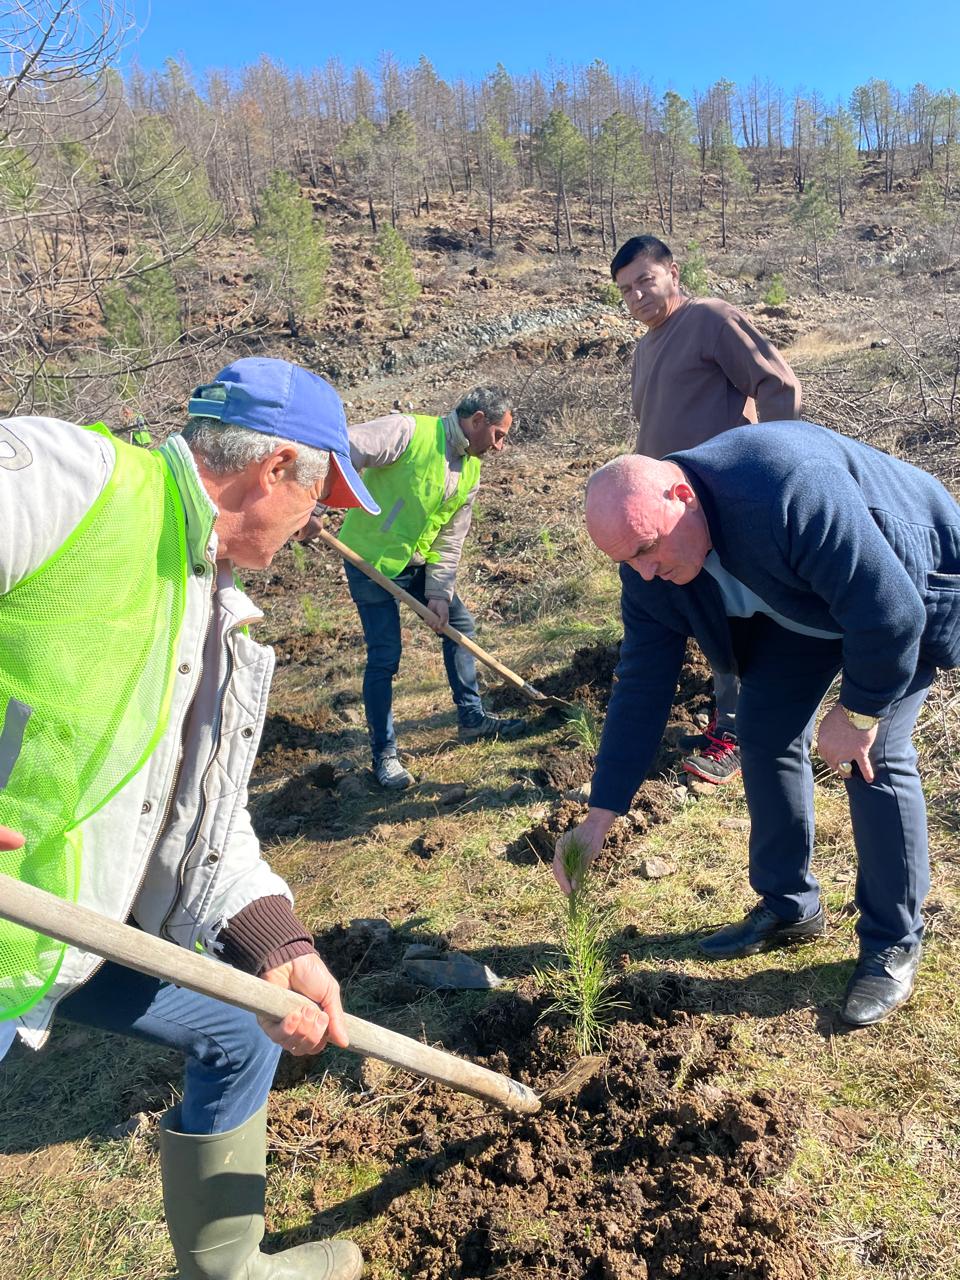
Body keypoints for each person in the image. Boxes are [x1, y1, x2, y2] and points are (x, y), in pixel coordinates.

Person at [0, 357, 381, 1280]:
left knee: (239, 1025)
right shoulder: (68, 481)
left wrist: (277, 941)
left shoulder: (208, 610)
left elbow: (205, 815)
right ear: (277, 467)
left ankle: (228, 1267)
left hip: (64, 929)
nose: (317, 525)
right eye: (320, 498)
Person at [554, 424, 960, 1027]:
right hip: (803, 609)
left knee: (876, 759)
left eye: (646, 551)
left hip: (904, 583)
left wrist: (858, 713)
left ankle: (892, 943)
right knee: (766, 735)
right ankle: (790, 905)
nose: (642, 573)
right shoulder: (647, 566)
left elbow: (891, 613)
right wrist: (600, 814)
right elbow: (642, 684)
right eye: (625, 561)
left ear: (682, 497)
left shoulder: (785, 490)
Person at [612, 234, 802, 785]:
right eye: (626, 290)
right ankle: (729, 719)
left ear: (672, 271)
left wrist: (775, 470)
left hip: (721, 502)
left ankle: (744, 732)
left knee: (741, 618)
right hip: (671, 516)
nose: (638, 296)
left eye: (646, 280)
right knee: (706, 618)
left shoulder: (710, 319)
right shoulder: (646, 348)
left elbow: (777, 383)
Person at [334, 387, 525, 790]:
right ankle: (384, 755)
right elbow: (342, 448)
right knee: (385, 656)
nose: (501, 446)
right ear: (477, 422)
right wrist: (313, 505)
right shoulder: (408, 432)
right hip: (368, 561)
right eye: (498, 435)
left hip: (417, 565)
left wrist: (438, 591)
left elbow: (450, 538)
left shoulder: (470, 469)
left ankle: (471, 718)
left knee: (461, 626)